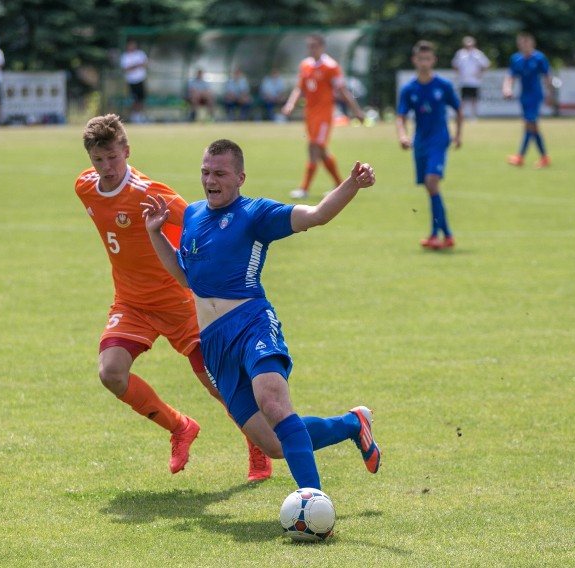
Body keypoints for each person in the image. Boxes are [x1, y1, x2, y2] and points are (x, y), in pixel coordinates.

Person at [141, 138, 381, 491]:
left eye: (220, 173)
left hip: (251, 323)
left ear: (240, 177)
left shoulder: (255, 214)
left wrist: (352, 183)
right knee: (273, 444)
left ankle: (313, 501)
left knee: (273, 403)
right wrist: (155, 233)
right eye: (206, 172)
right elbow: (185, 276)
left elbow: (317, 215)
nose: (211, 180)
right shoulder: (192, 214)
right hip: (214, 344)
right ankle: (352, 424)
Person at [75, 115, 272, 481]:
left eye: (113, 158)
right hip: (131, 303)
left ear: (127, 151)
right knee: (111, 373)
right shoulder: (84, 187)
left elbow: (198, 222)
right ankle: (180, 426)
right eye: (98, 160)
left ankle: (257, 444)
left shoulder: (149, 192)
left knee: (219, 387)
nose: (106, 168)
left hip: (179, 303)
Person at [281, 33, 365, 200]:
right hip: (310, 115)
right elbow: (300, 88)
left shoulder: (331, 67)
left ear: (322, 47)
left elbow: (342, 90)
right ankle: (340, 185)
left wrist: (357, 111)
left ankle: (304, 189)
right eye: (309, 46)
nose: (311, 49)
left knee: (313, 148)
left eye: (314, 45)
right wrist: (290, 104)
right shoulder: (305, 65)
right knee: (321, 151)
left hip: (324, 115)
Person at [397, 40, 463, 251]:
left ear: (433, 60)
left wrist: (458, 135)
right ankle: (447, 234)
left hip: (439, 140)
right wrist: (402, 136)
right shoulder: (409, 89)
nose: (424, 62)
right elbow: (400, 116)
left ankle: (435, 235)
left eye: (427, 59)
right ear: (414, 60)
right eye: (420, 59)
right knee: (430, 188)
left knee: (431, 182)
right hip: (420, 143)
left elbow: (459, 110)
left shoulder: (443, 86)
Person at [502, 32, 553, 168]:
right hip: (524, 96)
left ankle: (520, 157)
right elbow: (510, 76)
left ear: (532, 44)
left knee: (529, 124)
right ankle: (544, 157)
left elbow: (547, 76)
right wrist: (507, 88)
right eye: (522, 43)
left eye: (527, 43)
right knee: (532, 127)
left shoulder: (539, 58)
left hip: (535, 95)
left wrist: (549, 94)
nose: (524, 46)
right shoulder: (516, 59)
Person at [451, 36, 490, 120]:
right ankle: (461, 115)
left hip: (474, 81)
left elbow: (485, 64)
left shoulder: (478, 54)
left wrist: (480, 74)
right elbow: (454, 64)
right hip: (464, 81)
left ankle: (473, 116)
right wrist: (458, 74)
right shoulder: (460, 54)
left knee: (474, 99)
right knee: (463, 99)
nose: (469, 47)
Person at [119, 40, 149, 123]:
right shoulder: (125, 56)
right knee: (134, 99)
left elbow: (145, 63)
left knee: (141, 99)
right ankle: (134, 116)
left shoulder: (140, 53)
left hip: (141, 79)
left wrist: (134, 66)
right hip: (132, 81)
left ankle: (140, 115)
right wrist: (136, 65)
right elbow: (126, 68)